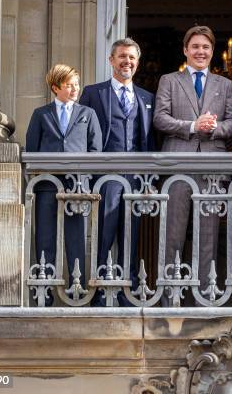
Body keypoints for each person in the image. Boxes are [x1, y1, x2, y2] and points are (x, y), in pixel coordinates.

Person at [153, 25, 232, 305]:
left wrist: (213, 128)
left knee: (208, 234)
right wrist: (192, 125)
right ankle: (169, 295)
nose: (201, 52)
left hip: (212, 167)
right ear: (186, 50)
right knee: (173, 232)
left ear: (212, 52)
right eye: (196, 47)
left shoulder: (224, 85)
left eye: (206, 47)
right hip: (178, 163)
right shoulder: (169, 80)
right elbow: (160, 119)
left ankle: (205, 295)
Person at [79, 38, 155, 306]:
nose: (127, 62)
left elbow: (149, 142)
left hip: (135, 177)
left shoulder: (147, 97)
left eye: (132, 57)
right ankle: (98, 292)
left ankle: (127, 292)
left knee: (130, 236)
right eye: (122, 56)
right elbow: (83, 133)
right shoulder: (92, 93)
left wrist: (149, 179)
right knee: (104, 233)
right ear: (111, 60)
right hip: (105, 176)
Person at [26, 64, 102, 305]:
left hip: (76, 185)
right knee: (45, 239)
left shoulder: (87, 114)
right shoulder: (41, 114)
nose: (74, 89)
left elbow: (95, 150)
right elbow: (32, 148)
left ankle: (77, 293)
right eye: (69, 85)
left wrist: (87, 182)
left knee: (76, 238)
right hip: (47, 184)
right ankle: (43, 295)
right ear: (55, 87)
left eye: (76, 84)